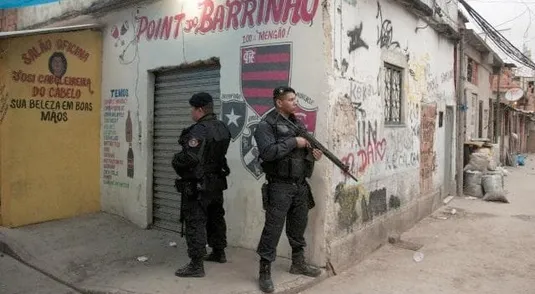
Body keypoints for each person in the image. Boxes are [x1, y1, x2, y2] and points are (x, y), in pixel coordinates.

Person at [253, 86, 323, 293]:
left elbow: (305, 152)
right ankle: (264, 271)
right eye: (291, 100)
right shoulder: (266, 125)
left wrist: (313, 154)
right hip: (279, 186)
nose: (296, 103)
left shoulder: (297, 123)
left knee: (298, 226)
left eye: (295, 99)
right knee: (272, 229)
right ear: (279, 102)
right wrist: (294, 142)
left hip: (299, 185)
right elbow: (268, 153)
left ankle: (298, 263)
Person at [172, 92, 231, 278]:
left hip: (198, 184)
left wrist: (176, 159)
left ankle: (196, 265)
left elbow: (191, 157)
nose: (191, 112)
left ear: (199, 109)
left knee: (195, 221)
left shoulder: (199, 130)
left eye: (192, 108)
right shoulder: (222, 127)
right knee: (216, 216)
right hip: (216, 182)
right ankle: (219, 252)